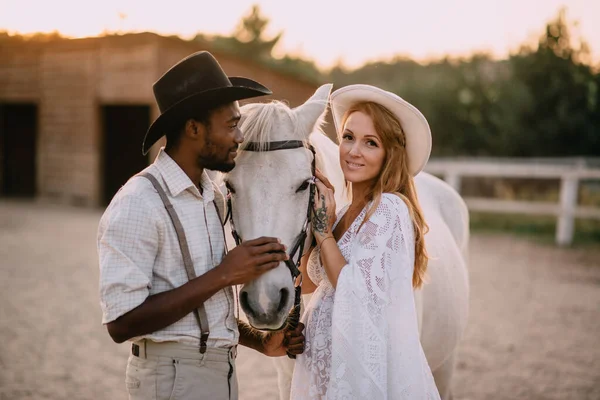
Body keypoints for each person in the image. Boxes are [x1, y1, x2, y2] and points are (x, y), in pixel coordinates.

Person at [97, 51, 305, 400]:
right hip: (172, 378)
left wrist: (262, 341)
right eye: (230, 125)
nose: (240, 136)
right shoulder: (139, 201)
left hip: (218, 374)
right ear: (194, 128)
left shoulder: (212, 196)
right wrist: (224, 275)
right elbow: (121, 323)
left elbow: (203, 313)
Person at [290, 84, 441, 399]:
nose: (353, 151)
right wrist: (316, 219)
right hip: (327, 374)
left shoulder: (388, 209)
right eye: (348, 137)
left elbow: (354, 291)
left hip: (358, 377)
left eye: (370, 143)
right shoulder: (344, 212)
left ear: (389, 154)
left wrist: (322, 230)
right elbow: (308, 285)